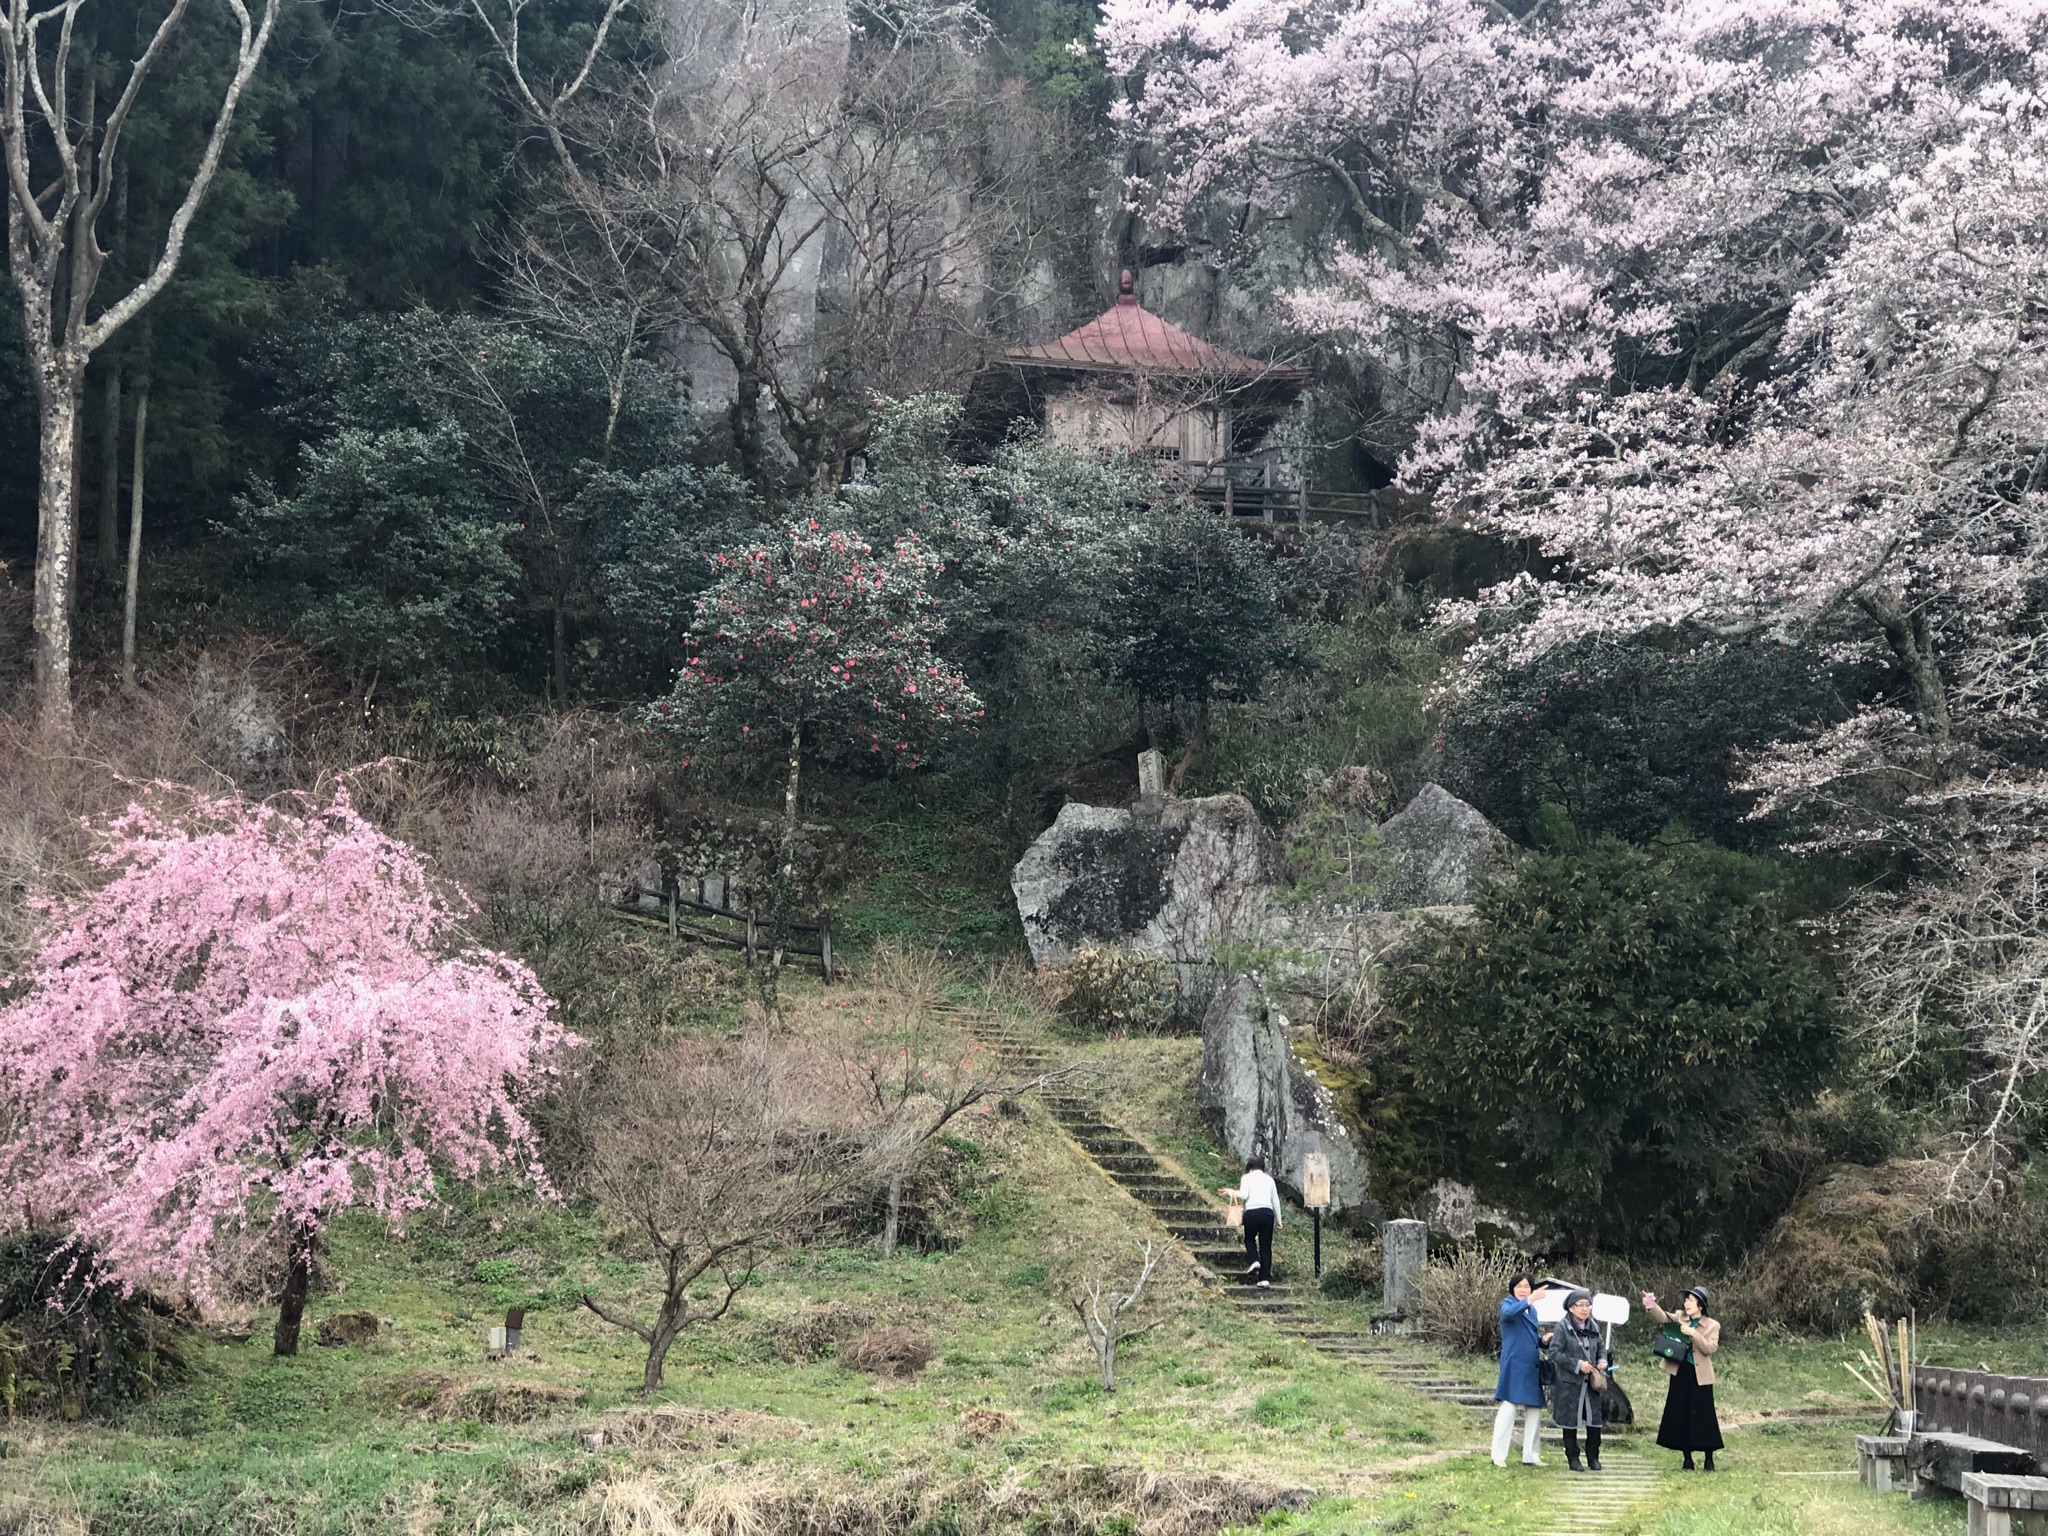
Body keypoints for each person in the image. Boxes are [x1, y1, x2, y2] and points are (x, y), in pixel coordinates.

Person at [1644, 1286, 1724, 1471]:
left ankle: (1708, 1458)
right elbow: (1663, 1317)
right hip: (1680, 1372)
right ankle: (1686, 1458)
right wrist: (1651, 1305)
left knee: (1704, 1417)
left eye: (1691, 1300)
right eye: (1686, 1300)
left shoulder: (1713, 1325)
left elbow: (1710, 1348)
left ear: (1701, 1305)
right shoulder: (1681, 1317)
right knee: (1681, 1413)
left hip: (1700, 1376)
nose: (1686, 1303)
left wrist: (1694, 1334)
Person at [1547, 1288, 1613, 1472]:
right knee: (1570, 1421)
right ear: (1570, 1308)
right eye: (1580, 1305)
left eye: (1588, 1305)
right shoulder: (1562, 1327)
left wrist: (1602, 1360)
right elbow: (1554, 1353)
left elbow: (1600, 1347)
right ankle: (1573, 1458)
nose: (1585, 1309)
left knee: (1594, 1420)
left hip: (1591, 1383)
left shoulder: (1593, 1326)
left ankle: (1593, 1457)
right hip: (1569, 1382)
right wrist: (1577, 1365)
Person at [1492, 1274, 1552, 1467]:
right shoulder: (1507, 1304)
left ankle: (1531, 1455)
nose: (1523, 1289)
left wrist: (1543, 1340)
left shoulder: (1531, 1310)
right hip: (1514, 1362)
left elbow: (1530, 1336)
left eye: (1527, 1286)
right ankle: (1498, 1455)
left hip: (1531, 1363)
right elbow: (1509, 1315)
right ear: (1512, 1288)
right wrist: (1531, 1299)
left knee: (1534, 1409)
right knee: (1509, 1407)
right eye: (1519, 1286)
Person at [1218, 1156, 1280, 1287]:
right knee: (1266, 1247)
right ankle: (1264, 1279)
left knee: (1249, 1239)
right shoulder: (1269, 1180)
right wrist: (1279, 1220)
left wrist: (1231, 1192)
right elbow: (1276, 1201)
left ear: (1250, 1168)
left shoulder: (1246, 1178)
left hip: (1252, 1213)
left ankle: (1254, 1261)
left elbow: (1244, 1195)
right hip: (1268, 1214)